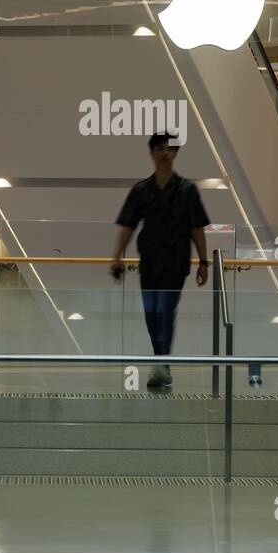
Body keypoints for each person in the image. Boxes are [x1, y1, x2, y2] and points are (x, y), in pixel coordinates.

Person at [111, 132, 210, 389]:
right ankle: (161, 361)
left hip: (176, 262)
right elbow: (128, 225)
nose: (165, 152)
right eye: (160, 148)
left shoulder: (187, 190)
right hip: (150, 262)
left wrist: (203, 261)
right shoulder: (141, 190)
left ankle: (162, 365)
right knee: (151, 314)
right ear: (152, 152)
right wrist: (116, 257)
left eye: (170, 148)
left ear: (176, 153)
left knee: (166, 311)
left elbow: (197, 227)